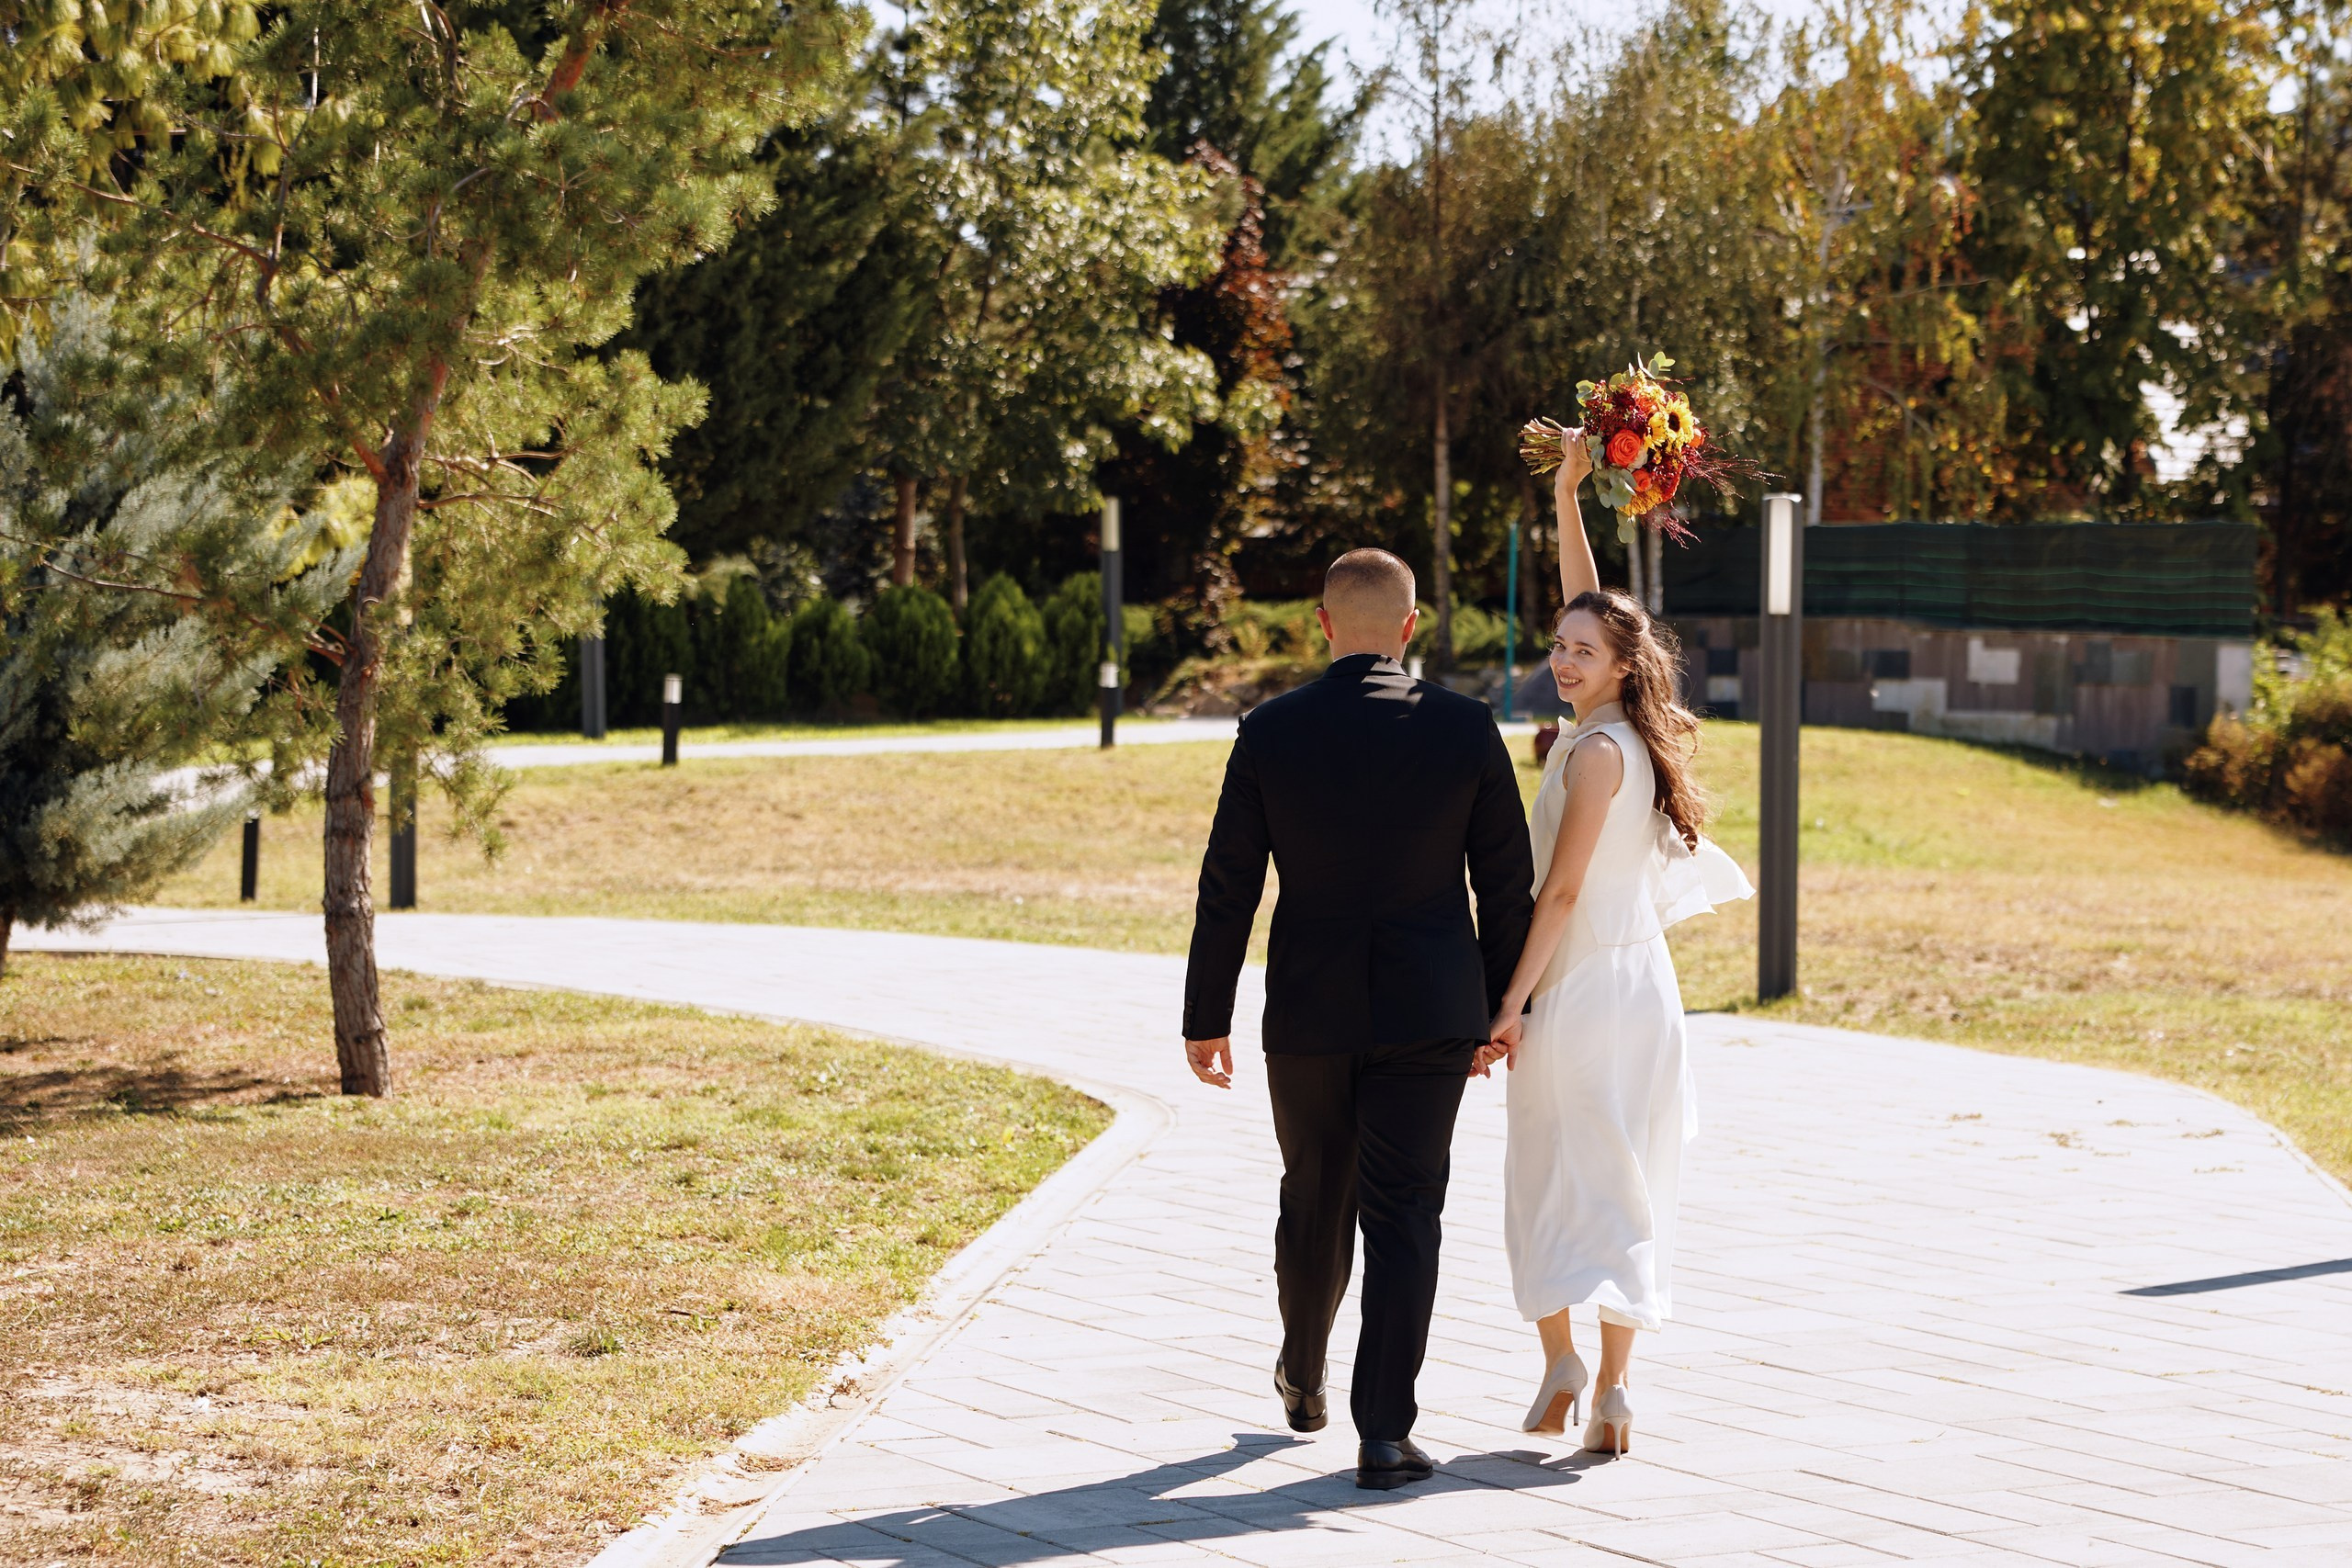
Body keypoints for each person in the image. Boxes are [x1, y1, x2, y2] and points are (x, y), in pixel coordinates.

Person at [1182, 547, 1534, 1491]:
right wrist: (1509, 1009)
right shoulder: (1465, 729)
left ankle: (1302, 1372)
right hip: (1432, 1010)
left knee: (1314, 1194)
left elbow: (1229, 885)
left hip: (1308, 1008)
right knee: (1405, 1212)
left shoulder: (1270, 731)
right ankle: (1385, 1432)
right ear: (1410, 627)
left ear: (1324, 622)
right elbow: (1504, 886)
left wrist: (1204, 1014)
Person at [1476, 433, 1752, 1456]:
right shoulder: (1634, 733)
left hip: (1583, 997)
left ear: (1621, 665)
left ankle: (1561, 1360)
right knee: (1628, 1181)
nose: (1560, 658)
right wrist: (1566, 495)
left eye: (1578, 652)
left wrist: (1507, 1005)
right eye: (1555, 644)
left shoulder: (1593, 751)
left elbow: (1557, 895)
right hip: (1646, 996)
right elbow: (1590, 604)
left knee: (1548, 1172)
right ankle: (1612, 1392)